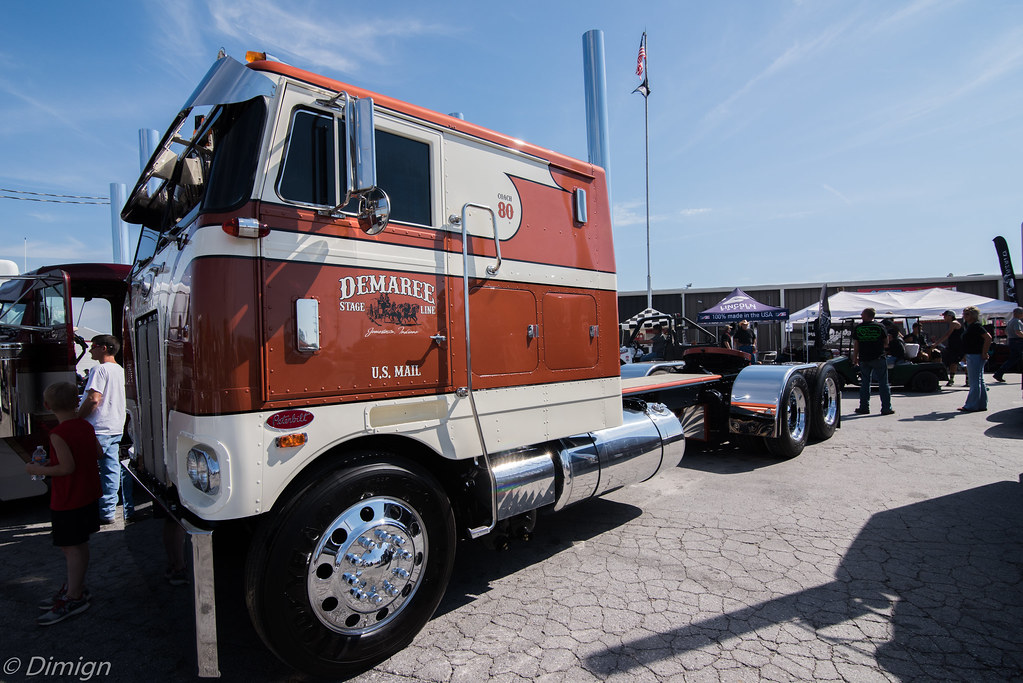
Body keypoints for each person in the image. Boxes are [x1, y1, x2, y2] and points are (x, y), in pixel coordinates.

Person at [26, 381, 102, 625]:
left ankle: (74, 596)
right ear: (76, 401)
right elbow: (97, 453)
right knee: (79, 543)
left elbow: (67, 467)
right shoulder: (85, 425)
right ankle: (76, 586)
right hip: (88, 493)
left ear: (47, 406)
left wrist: (37, 468)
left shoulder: (58, 433)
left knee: (70, 547)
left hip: (69, 498)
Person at [78, 334, 129, 525]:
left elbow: (93, 399)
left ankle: (88, 511)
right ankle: (107, 511)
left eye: (93, 347)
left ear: (104, 348)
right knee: (111, 469)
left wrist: (76, 419)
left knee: (87, 471)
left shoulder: (99, 369)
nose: (90, 350)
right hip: (115, 426)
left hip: (98, 427)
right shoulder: (120, 370)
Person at [852, 308, 894, 415]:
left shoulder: (859, 328)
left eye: (862, 314)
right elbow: (886, 342)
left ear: (867, 315)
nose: (861, 315)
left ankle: (864, 407)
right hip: (878, 358)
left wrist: (855, 357)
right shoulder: (880, 327)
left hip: (864, 359)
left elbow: (856, 344)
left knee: (865, 383)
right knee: (883, 383)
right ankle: (886, 408)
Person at [959, 306, 991, 412]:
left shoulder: (976, 326)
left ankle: (971, 405)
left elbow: (988, 338)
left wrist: (984, 352)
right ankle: (981, 404)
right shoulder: (968, 326)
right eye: (964, 314)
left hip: (975, 355)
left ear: (973, 315)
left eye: (967, 314)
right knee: (979, 380)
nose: (965, 316)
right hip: (972, 354)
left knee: (974, 381)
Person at [933, 310, 964, 386]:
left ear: (950, 316)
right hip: (953, 346)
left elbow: (947, 335)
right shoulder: (951, 323)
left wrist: (936, 343)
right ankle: (952, 380)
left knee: (961, 362)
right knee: (953, 363)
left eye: (945, 316)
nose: (944, 317)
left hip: (958, 347)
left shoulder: (954, 323)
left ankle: (967, 380)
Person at [992, 306, 1023, 382]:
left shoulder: (1011, 321)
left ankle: (999, 373)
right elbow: (1018, 332)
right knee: (1014, 359)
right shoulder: (1017, 321)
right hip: (1017, 341)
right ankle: (999, 373)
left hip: (1012, 340)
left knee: (1014, 358)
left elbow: (1006, 332)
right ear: (1019, 314)